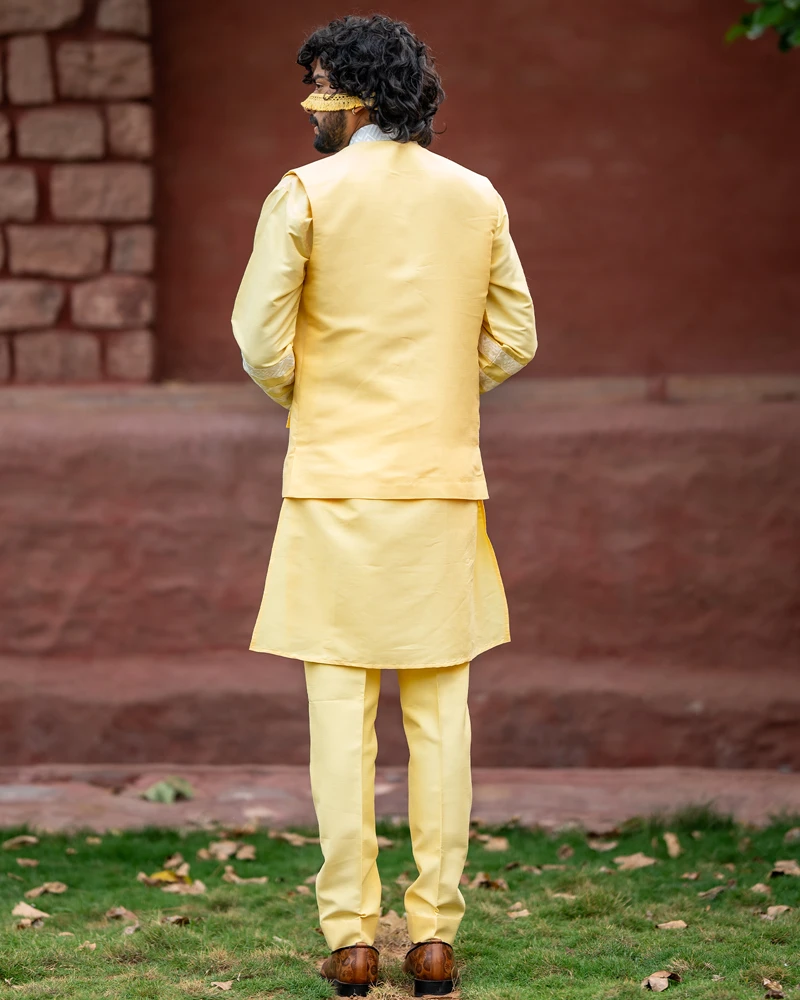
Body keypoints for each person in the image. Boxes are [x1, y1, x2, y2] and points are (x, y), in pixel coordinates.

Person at [231, 13, 537, 997]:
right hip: (439, 481)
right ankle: (435, 935)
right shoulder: (474, 195)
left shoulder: (304, 194)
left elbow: (260, 342)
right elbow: (514, 337)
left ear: (353, 97)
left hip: (333, 483)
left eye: (317, 87)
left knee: (340, 717)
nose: (307, 107)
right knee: (442, 715)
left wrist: (319, 398)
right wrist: (438, 392)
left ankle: (352, 937)